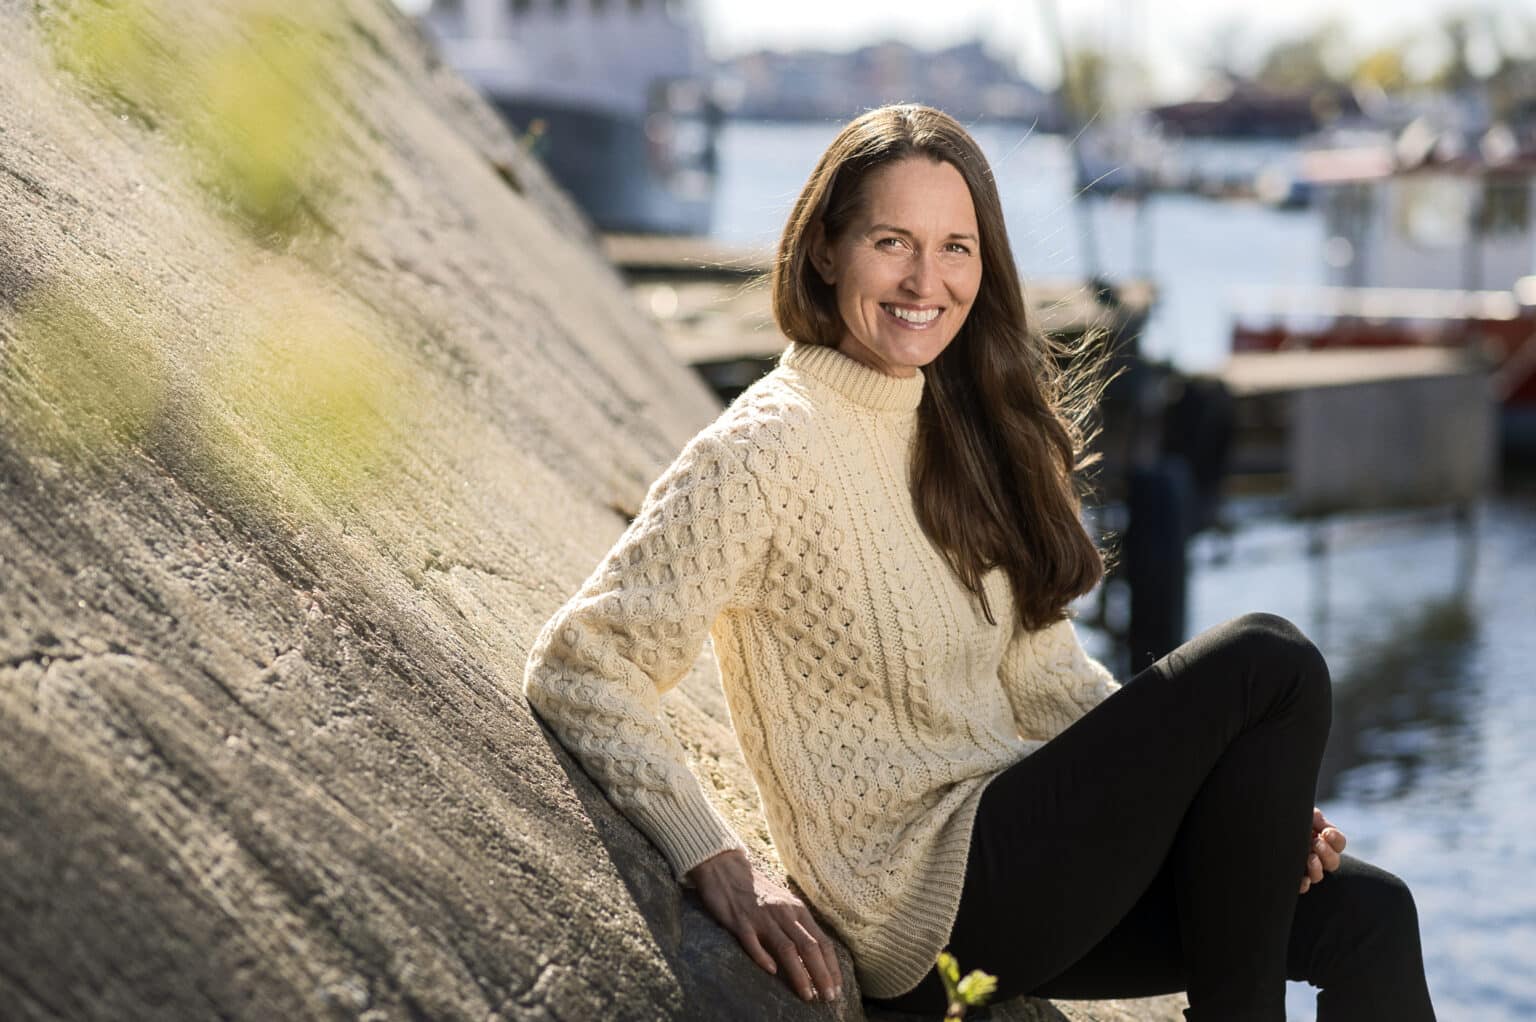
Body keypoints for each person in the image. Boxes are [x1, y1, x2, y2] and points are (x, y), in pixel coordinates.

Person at [521, 103, 1436, 1020]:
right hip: (919, 904)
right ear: (827, 250)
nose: (926, 280)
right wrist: (714, 857)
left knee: (1371, 915)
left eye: (955, 248)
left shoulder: (963, 431)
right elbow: (583, 665)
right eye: (892, 242)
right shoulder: (765, 448)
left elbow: (1048, 682)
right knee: (1270, 661)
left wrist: (1242, 803)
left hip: (1031, 860)